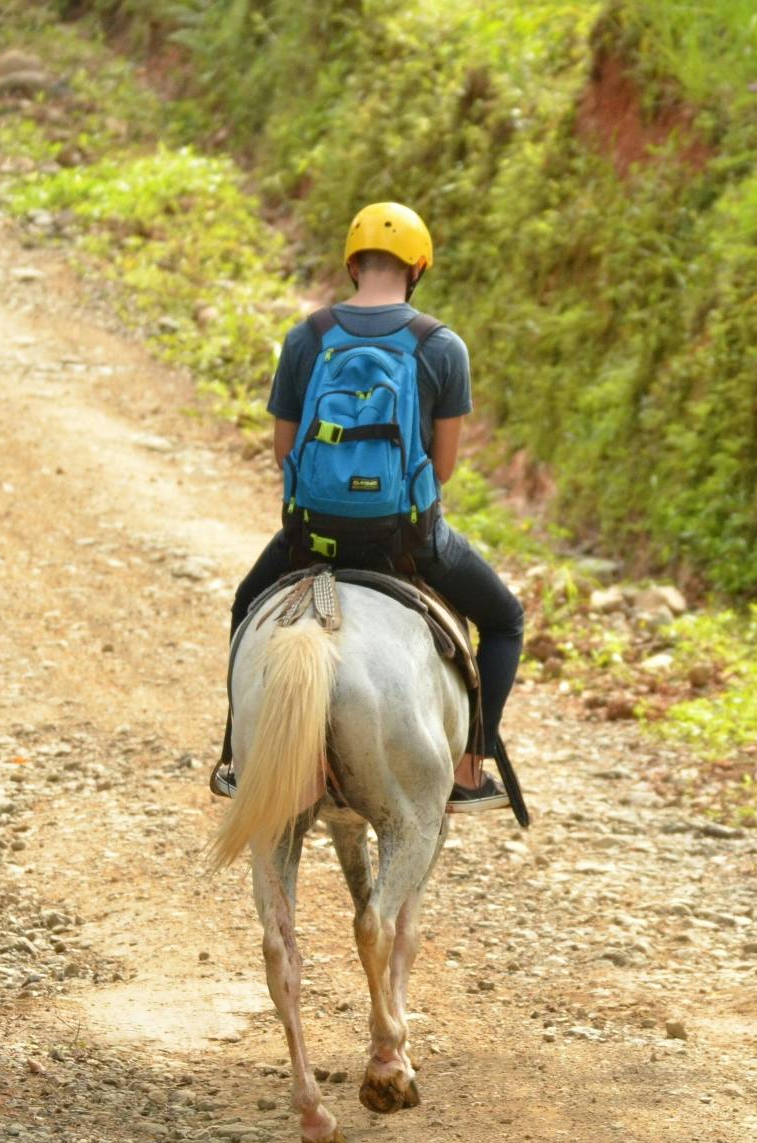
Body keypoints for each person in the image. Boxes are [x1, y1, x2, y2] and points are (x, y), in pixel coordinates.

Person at [211, 202, 524, 812]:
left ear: (354, 264)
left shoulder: (308, 338)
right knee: (505, 619)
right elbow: (444, 468)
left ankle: (235, 757)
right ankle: (467, 764)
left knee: (248, 606)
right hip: (407, 539)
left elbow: (283, 452)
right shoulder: (441, 346)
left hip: (312, 538)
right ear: (417, 268)